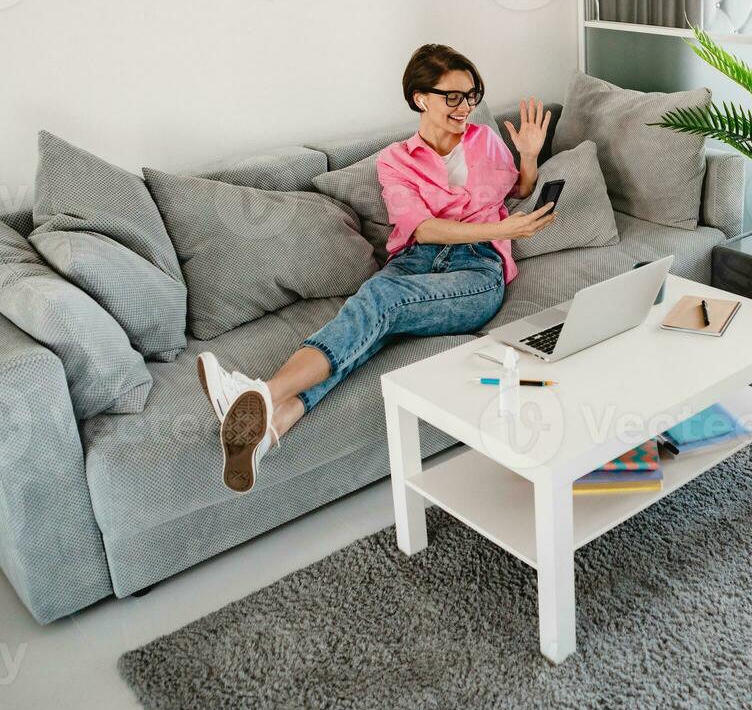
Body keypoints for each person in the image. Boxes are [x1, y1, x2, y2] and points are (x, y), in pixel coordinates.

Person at [198, 43, 556, 492]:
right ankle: (273, 425)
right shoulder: (396, 161)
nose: (464, 107)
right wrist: (504, 230)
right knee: (366, 317)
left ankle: (263, 395)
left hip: (477, 270)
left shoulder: (484, 141)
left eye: (471, 95)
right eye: (452, 96)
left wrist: (527, 155)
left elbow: (519, 189)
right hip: (416, 260)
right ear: (419, 98)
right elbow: (422, 230)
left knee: (378, 303)